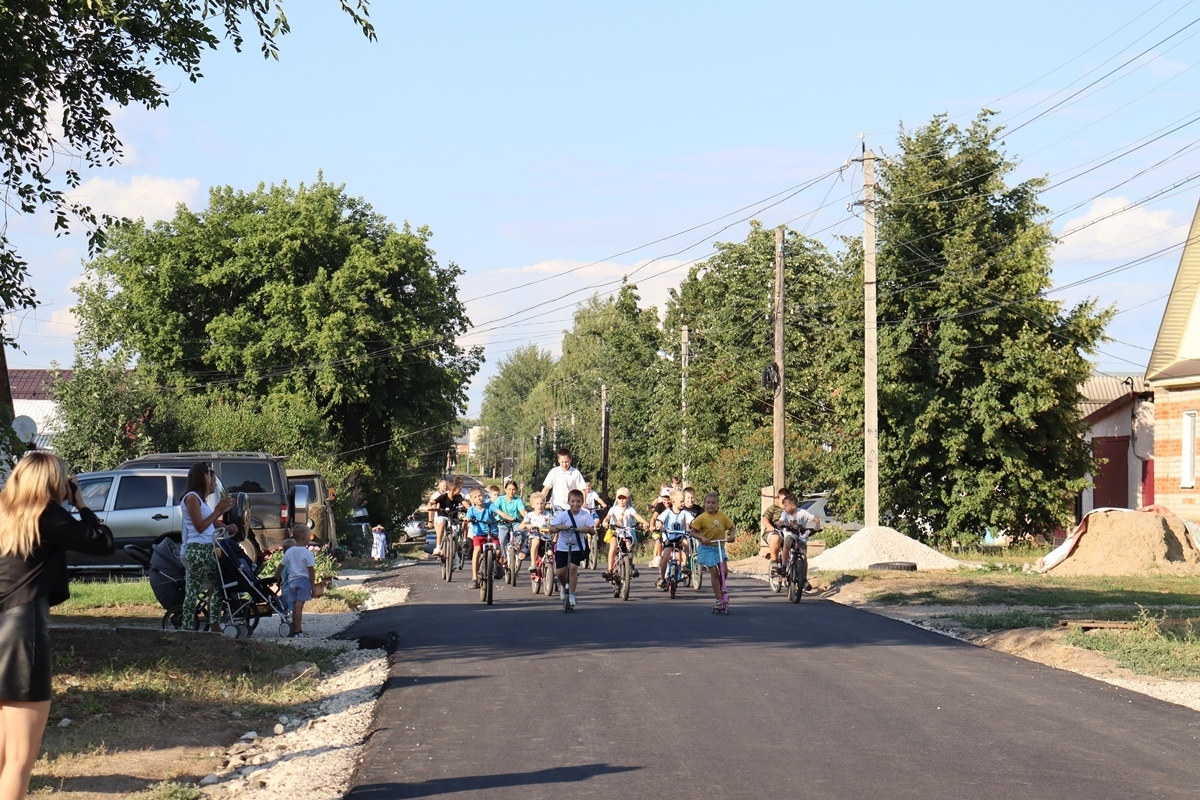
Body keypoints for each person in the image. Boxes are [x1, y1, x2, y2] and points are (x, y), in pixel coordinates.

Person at [0, 452, 113, 800]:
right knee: (20, 758)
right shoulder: (47, 516)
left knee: (3, 753)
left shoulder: (5, 515)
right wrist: (81, 503)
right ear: (53, 483)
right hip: (23, 632)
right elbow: (103, 542)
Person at [180, 462, 238, 632]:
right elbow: (200, 526)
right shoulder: (191, 498)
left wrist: (225, 526)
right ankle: (188, 625)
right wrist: (219, 510)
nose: (212, 480)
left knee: (216, 586)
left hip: (207, 548)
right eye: (210, 476)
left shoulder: (201, 500)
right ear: (201, 477)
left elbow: (210, 520)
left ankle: (214, 624)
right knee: (194, 588)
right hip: (197, 549)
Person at [548, 489, 595, 609]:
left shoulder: (585, 516)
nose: (575, 504)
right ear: (568, 502)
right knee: (560, 573)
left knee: (573, 569)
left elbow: (593, 531)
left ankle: (572, 594)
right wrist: (560, 527)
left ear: (582, 502)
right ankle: (564, 587)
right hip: (563, 547)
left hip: (577, 547)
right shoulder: (563, 515)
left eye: (578, 501)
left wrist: (587, 529)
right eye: (573, 501)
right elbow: (551, 528)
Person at [689, 492, 736, 611]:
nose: (710, 505)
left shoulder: (722, 516)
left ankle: (721, 587)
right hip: (707, 548)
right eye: (708, 502)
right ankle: (718, 599)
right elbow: (692, 532)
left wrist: (732, 535)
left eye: (713, 503)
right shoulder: (701, 518)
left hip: (719, 547)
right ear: (704, 504)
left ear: (717, 504)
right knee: (714, 572)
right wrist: (702, 537)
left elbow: (731, 528)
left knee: (724, 571)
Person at [601, 488, 648, 582]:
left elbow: (637, 516)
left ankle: (630, 565)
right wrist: (605, 522)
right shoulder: (613, 509)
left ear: (628, 499)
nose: (622, 500)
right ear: (616, 499)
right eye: (620, 498)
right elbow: (607, 517)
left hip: (627, 533)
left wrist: (645, 522)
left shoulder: (630, 509)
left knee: (629, 548)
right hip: (616, 532)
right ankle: (610, 570)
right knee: (613, 547)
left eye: (624, 498)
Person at [773, 493, 822, 580]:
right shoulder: (785, 513)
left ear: (793, 506)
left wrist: (817, 527)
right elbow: (781, 520)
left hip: (801, 536)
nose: (784, 507)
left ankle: (804, 578)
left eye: (786, 505)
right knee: (787, 543)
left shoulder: (803, 513)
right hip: (790, 534)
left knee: (803, 555)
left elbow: (816, 519)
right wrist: (779, 523)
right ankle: (784, 566)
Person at [282, 524, 316, 637]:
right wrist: (313, 585)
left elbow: (281, 565)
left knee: (295, 605)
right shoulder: (307, 553)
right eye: (308, 536)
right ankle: (297, 631)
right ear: (304, 538)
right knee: (299, 606)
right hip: (303, 581)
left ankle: (296, 629)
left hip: (292, 581)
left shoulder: (289, 552)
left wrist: (275, 576)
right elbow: (311, 570)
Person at [656, 490, 694, 589]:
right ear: (673, 502)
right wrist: (660, 526)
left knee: (686, 545)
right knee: (665, 557)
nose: (683, 503)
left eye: (683, 501)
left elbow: (693, 521)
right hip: (669, 537)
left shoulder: (685, 513)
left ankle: (684, 566)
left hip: (680, 537)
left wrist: (695, 526)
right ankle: (662, 577)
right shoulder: (667, 512)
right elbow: (659, 520)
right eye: (681, 501)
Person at [465, 488, 498, 589]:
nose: (479, 498)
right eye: (475, 497)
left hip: (492, 533)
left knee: (498, 551)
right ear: (472, 500)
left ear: (483, 496)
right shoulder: (471, 510)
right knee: (477, 550)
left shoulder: (490, 506)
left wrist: (508, 518)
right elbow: (468, 517)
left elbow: (499, 512)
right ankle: (474, 578)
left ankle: (497, 566)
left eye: (480, 496)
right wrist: (467, 519)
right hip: (478, 534)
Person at [492, 480, 527, 572]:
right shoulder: (500, 499)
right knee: (502, 539)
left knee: (521, 534)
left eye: (513, 489)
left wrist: (527, 519)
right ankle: (504, 557)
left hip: (515, 522)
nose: (511, 491)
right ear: (505, 489)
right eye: (509, 489)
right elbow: (495, 509)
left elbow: (522, 511)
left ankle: (518, 551)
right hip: (502, 523)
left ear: (516, 490)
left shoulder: (518, 500)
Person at [431, 477, 467, 558]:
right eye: (459, 488)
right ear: (454, 489)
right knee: (441, 525)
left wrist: (470, 510)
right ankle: (438, 547)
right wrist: (432, 506)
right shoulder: (443, 496)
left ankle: (457, 554)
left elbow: (466, 504)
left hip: (453, 517)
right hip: (443, 515)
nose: (461, 490)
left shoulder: (458, 497)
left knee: (456, 534)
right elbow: (432, 502)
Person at [523, 492, 552, 575]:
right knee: (536, 541)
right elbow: (521, 526)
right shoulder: (530, 515)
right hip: (534, 538)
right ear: (533, 505)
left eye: (542, 503)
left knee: (551, 554)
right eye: (537, 503)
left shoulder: (548, 515)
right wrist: (528, 526)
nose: (540, 505)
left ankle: (552, 573)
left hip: (546, 539)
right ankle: (533, 564)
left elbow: (554, 526)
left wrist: (549, 528)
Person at [761, 487, 793, 561]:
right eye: (782, 500)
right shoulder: (773, 508)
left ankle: (800, 566)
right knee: (775, 538)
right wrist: (769, 526)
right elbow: (765, 518)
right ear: (777, 499)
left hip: (789, 532)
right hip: (775, 531)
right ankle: (775, 562)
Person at [647, 488, 672, 568]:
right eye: (664, 499)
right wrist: (651, 526)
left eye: (669, 500)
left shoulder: (674, 506)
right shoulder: (660, 505)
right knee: (659, 539)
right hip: (661, 526)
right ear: (662, 499)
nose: (667, 502)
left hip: (671, 527)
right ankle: (658, 557)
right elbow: (654, 517)